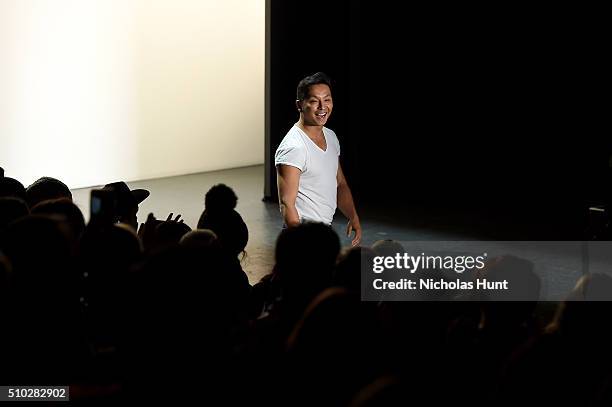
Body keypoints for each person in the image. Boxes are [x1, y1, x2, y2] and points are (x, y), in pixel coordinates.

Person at [275, 72, 361, 246]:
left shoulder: (330, 136)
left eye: (327, 100)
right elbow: (287, 204)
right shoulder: (294, 147)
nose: (322, 107)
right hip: (301, 234)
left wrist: (353, 216)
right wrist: (304, 243)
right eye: (314, 101)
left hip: (323, 232)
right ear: (299, 105)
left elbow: (340, 183)